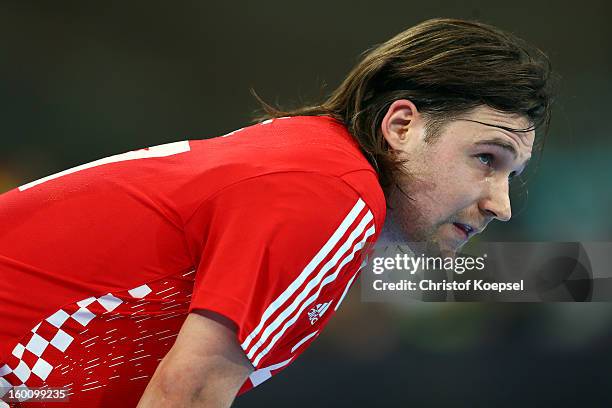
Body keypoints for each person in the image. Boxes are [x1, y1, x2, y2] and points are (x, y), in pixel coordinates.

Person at [0, 18, 553, 407]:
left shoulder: (314, 161)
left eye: (512, 175)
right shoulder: (330, 194)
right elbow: (186, 395)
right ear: (401, 126)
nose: (500, 204)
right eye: (486, 158)